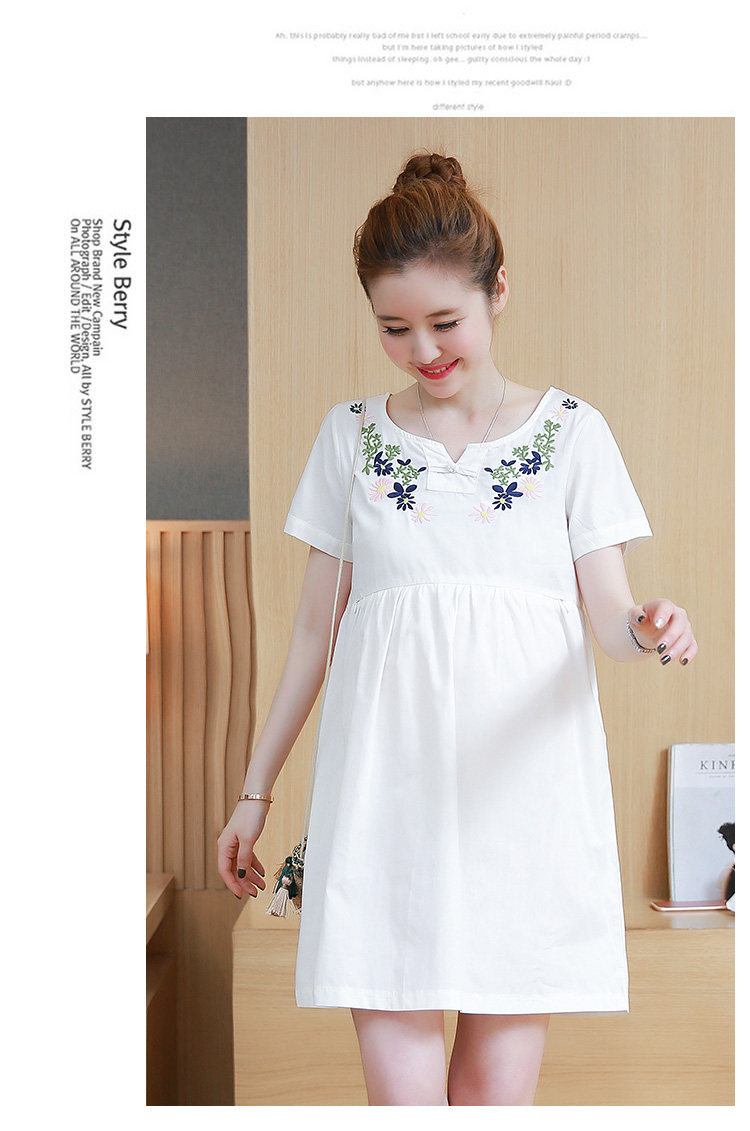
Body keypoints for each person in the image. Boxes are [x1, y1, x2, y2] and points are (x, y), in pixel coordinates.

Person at [218, 151, 699, 1106]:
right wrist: (254, 794)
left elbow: (610, 618)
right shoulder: (351, 436)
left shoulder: (573, 433)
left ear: (498, 291)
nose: (424, 349)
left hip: (524, 808)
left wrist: (651, 626)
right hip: (382, 801)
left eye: (446, 322)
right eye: (394, 328)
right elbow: (314, 635)